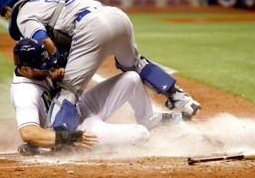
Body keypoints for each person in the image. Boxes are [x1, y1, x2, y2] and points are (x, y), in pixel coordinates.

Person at [0, 0, 201, 129]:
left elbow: (45, 41)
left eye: (5, 15)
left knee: (69, 89)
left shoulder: (21, 13)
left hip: (90, 27)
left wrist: (56, 62)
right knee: (135, 64)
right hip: (117, 16)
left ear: (7, 9)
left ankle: (57, 135)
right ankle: (183, 100)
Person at [12, 38, 183, 156]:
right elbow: (28, 133)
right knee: (140, 134)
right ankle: (61, 149)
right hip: (77, 127)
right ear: (25, 69)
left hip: (79, 106)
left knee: (131, 78)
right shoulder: (24, 92)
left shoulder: (35, 73)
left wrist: (57, 79)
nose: (48, 69)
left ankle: (149, 119)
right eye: (43, 67)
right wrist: (70, 138)